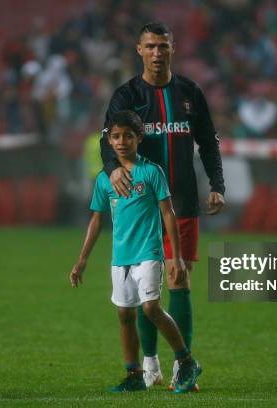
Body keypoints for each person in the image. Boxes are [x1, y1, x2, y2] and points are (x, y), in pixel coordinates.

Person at [100, 21, 225, 389]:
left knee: (179, 281)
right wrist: (110, 170)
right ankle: (150, 364)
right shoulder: (127, 95)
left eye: (163, 47)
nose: (157, 53)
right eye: (150, 46)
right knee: (144, 293)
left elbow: (209, 142)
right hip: (141, 209)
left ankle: (179, 367)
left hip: (182, 201)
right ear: (139, 50)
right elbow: (108, 139)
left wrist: (217, 184)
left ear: (173, 48)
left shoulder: (189, 92)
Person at [71, 110, 202, 393]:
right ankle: (133, 374)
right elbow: (96, 219)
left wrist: (176, 255)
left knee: (151, 308)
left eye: (128, 136)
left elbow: (168, 213)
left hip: (149, 252)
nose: (121, 142)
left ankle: (186, 360)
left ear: (139, 138)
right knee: (124, 314)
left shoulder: (151, 171)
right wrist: (82, 260)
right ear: (109, 139)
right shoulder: (106, 179)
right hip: (121, 257)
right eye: (115, 136)